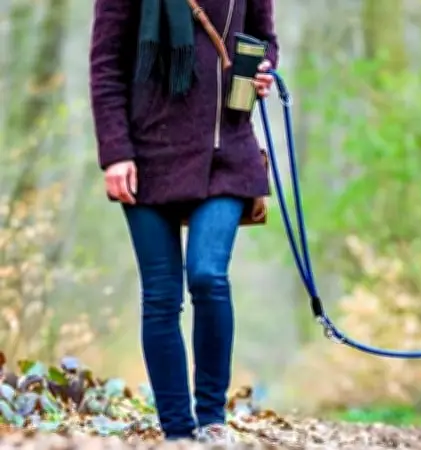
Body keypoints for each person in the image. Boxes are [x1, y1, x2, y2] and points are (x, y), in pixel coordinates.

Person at [88, 0, 279, 443]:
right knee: (161, 295)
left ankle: (211, 418)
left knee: (209, 276)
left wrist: (262, 71)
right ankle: (178, 431)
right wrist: (115, 153)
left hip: (225, 154)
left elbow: (264, 38)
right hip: (146, 155)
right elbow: (106, 65)